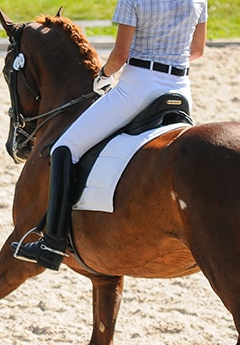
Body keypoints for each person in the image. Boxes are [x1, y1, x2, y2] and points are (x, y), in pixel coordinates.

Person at [12, 0, 208, 271]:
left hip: (138, 88)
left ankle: (52, 244)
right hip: (180, 90)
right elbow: (197, 50)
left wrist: (103, 77)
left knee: (64, 148)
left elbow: (120, 56)